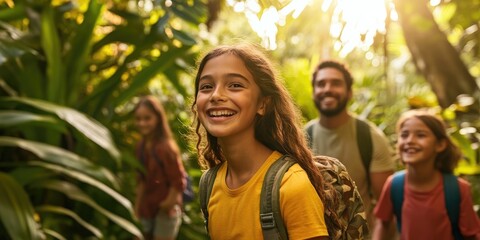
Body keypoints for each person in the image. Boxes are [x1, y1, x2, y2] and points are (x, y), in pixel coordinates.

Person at [191, 43, 331, 239]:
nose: (216, 95)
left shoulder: (291, 185)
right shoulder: (210, 185)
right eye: (206, 87)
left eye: (235, 85)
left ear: (263, 103)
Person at [305, 60, 396, 230]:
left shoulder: (370, 137)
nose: (327, 89)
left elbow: (387, 208)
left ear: (349, 93)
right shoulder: (301, 138)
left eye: (336, 83)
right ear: (314, 92)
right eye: (321, 84)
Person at [373, 109, 480, 240]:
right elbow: (383, 224)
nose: (410, 141)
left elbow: (471, 235)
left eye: (421, 135)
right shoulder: (394, 185)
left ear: (440, 145)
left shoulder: (458, 189)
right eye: (404, 135)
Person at [133, 95, 186, 240]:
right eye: (138, 119)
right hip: (147, 208)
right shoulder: (141, 147)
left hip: (165, 211)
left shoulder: (165, 148)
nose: (142, 123)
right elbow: (141, 179)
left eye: (147, 118)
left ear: (157, 119)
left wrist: (166, 205)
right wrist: (137, 208)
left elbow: (178, 182)